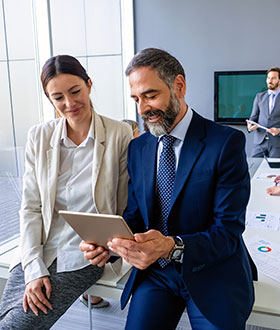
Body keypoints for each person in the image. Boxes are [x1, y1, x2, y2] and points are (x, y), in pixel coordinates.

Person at [81, 48, 256, 330]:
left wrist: (172, 246)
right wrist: (110, 246)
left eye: (150, 96)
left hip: (211, 270)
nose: (142, 109)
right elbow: (136, 218)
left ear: (179, 86)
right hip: (158, 274)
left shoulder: (225, 144)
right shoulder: (138, 148)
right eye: (136, 99)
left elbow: (228, 232)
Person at [0, 55, 132, 329]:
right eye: (58, 98)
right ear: (50, 100)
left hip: (83, 254)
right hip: (38, 247)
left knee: (17, 326)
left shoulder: (120, 134)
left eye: (75, 92)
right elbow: (31, 207)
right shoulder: (39, 136)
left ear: (89, 85)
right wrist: (33, 268)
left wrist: (110, 248)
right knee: (7, 319)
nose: (69, 104)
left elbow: (123, 205)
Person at [247, 67, 280, 158]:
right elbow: (253, 117)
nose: (270, 81)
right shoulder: (259, 97)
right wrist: (250, 126)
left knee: (273, 170)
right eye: (268, 78)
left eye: (273, 78)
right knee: (253, 168)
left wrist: (279, 131)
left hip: (277, 143)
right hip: (259, 142)